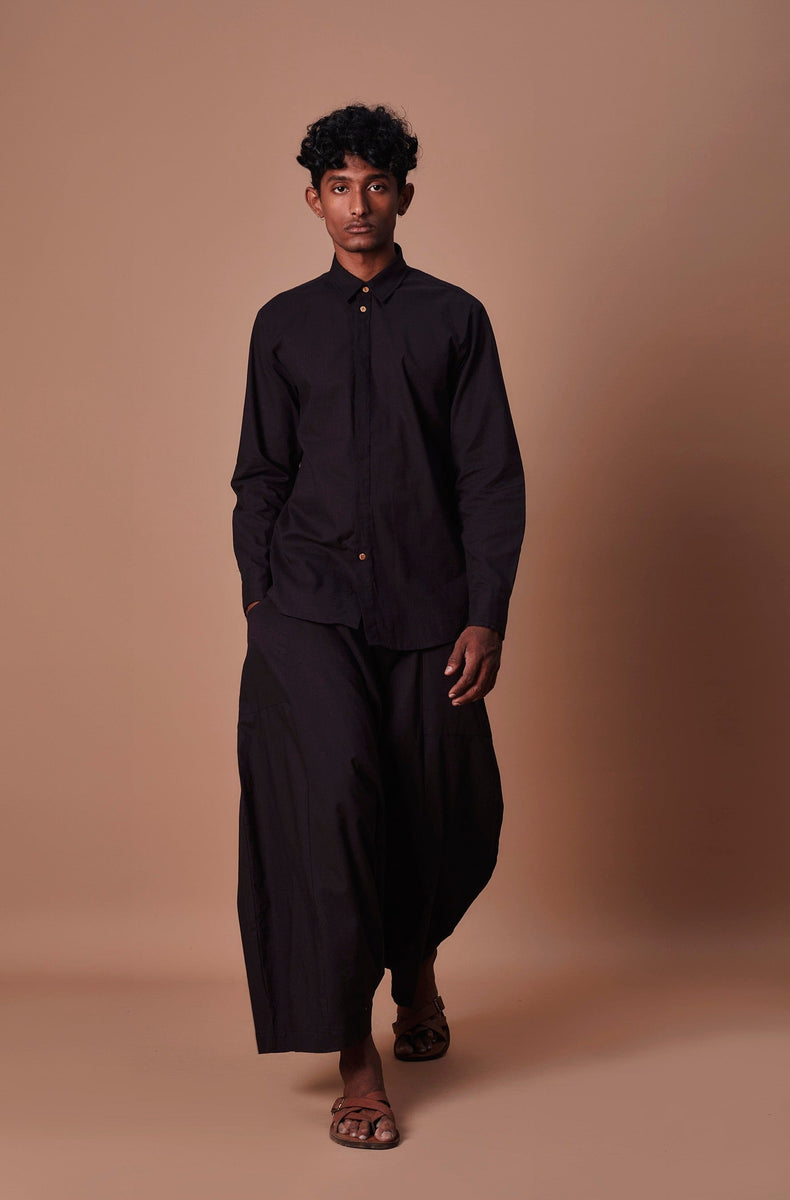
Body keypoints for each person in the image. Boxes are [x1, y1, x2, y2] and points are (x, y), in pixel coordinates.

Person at [229, 102, 526, 1149]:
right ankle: (358, 1062)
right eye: (339, 187)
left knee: (436, 809)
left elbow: (489, 476)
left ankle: (419, 971)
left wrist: (485, 612)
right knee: (334, 813)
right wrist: (258, 597)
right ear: (312, 199)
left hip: (428, 608)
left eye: (377, 184)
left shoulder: (454, 319)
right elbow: (260, 473)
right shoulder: (281, 324)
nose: (359, 204)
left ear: (404, 195)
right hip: (306, 609)